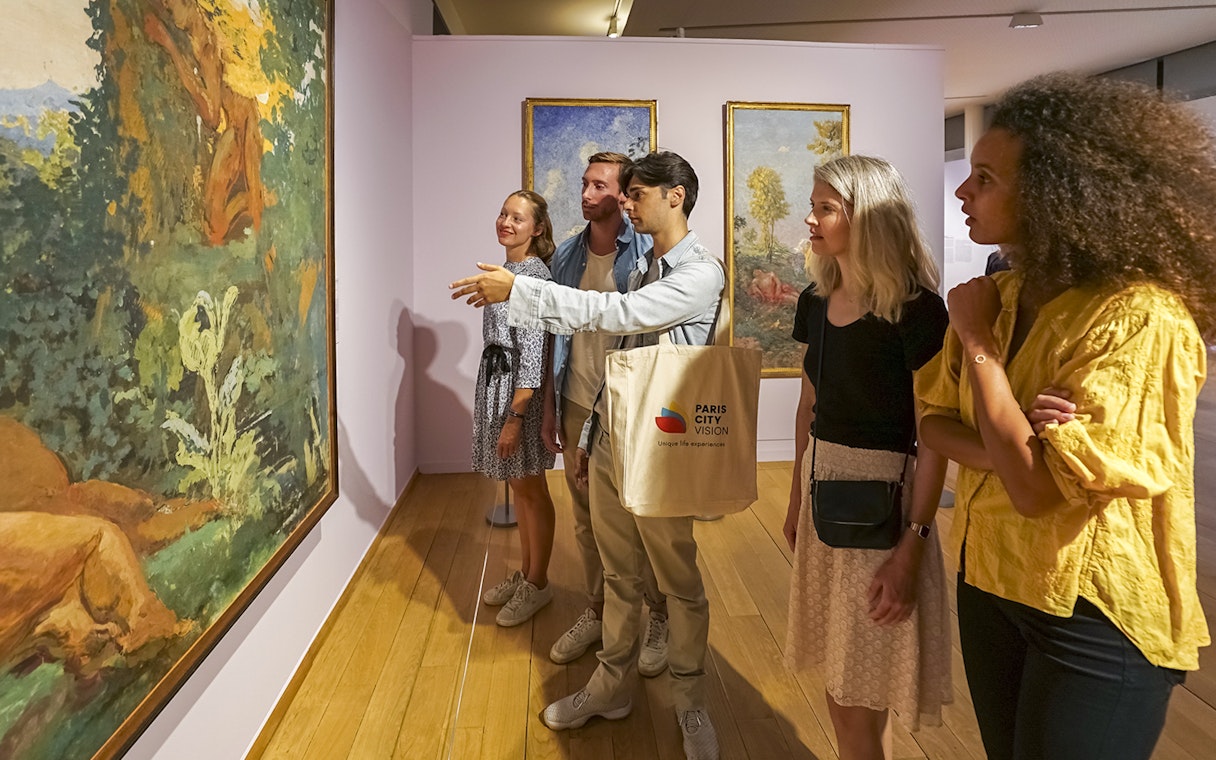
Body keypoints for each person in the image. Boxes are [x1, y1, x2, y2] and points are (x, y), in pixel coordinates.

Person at [916, 72, 1215, 760]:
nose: (963, 190)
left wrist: (982, 351)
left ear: (1057, 192)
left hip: (1095, 614)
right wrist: (1017, 437)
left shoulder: (1140, 316)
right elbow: (930, 421)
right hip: (990, 582)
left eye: (985, 177)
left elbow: (1036, 493)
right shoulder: (997, 294)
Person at [451, 151, 724, 760]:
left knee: (677, 583)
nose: (626, 203)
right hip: (609, 438)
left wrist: (520, 289)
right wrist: (586, 435)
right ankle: (610, 687)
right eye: (621, 194)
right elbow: (614, 361)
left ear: (675, 197)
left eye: (638, 194)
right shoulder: (644, 265)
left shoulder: (700, 273)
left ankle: (692, 705)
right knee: (618, 572)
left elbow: (615, 316)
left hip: (662, 447)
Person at [782, 155, 953, 759]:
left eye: (826, 208)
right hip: (824, 494)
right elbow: (809, 408)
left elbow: (934, 433)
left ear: (869, 216)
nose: (810, 218)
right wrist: (795, 494)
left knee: (860, 684)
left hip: (882, 509)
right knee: (839, 678)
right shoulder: (816, 300)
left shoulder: (916, 310)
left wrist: (914, 540)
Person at [541, 152, 670, 674]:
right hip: (576, 399)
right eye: (585, 183)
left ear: (623, 195)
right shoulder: (569, 255)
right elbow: (553, 331)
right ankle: (598, 609)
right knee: (586, 517)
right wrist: (551, 407)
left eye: (599, 185)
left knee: (642, 519)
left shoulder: (646, 254)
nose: (587, 192)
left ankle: (657, 614)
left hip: (628, 406)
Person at [474, 190, 559, 628]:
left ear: (537, 228)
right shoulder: (508, 271)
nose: (506, 221)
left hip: (518, 394)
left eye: (518, 217)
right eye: (503, 213)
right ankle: (528, 574)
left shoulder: (531, 277)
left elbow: (531, 354)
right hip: (499, 382)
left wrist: (515, 418)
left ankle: (539, 582)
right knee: (522, 487)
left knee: (531, 488)